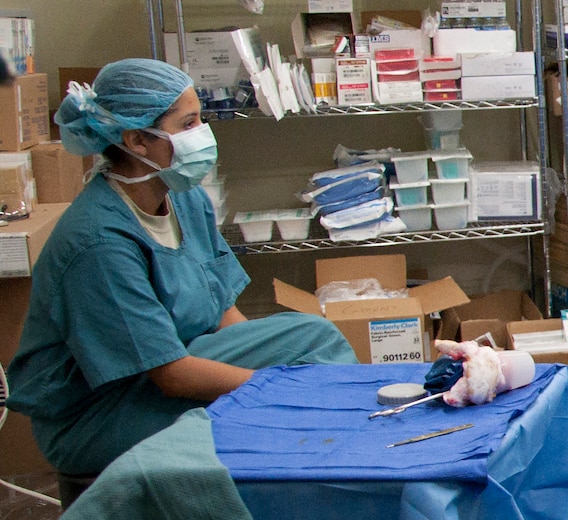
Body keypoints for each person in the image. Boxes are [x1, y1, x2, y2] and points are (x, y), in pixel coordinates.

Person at [7, 60, 355, 480]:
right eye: (188, 123)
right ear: (137, 140)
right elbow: (170, 375)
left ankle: (335, 450)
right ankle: (324, 473)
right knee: (289, 394)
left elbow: (222, 309)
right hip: (99, 414)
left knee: (313, 336)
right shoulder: (98, 242)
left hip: (177, 365)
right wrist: (273, 391)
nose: (202, 135)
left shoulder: (183, 199)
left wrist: (269, 365)